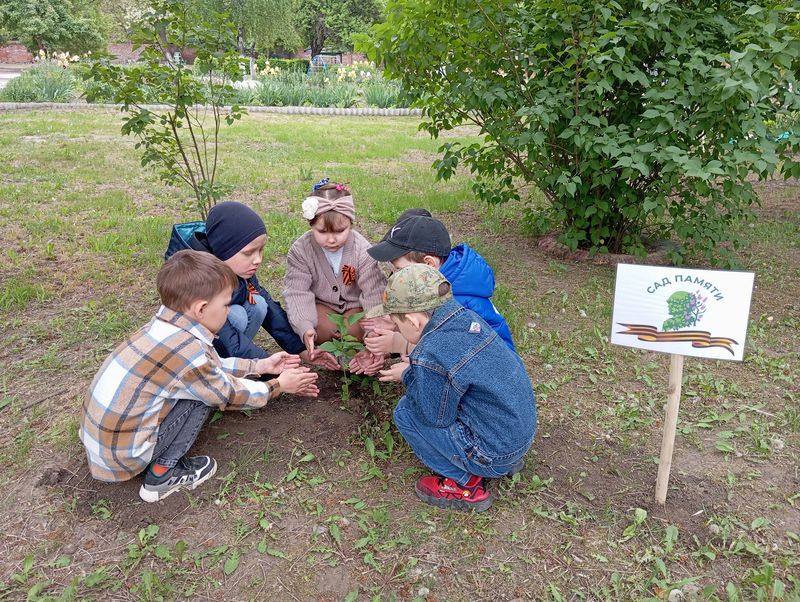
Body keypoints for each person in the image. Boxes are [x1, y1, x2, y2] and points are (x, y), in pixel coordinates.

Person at [79, 250, 320, 503]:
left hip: (103, 444)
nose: (228, 311)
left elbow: (210, 365)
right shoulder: (188, 352)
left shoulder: (167, 328)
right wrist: (279, 385)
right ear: (202, 308)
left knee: (200, 385)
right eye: (226, 304)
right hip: (123, 455)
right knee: (202, 397)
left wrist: (260, 365)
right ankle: (162, 475)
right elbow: (227, 394)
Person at [366, 264, 536, 512]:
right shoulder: (467, 319)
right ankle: (505, 458)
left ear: (413, 321)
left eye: (396, 323)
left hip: (493, 454)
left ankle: (465, 484)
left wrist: (409, 376)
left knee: (405, 413)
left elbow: (434, 416)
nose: (397, 330)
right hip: (519, 436)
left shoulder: (430, 352)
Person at [177, 201, 339, 371]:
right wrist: (271, 368)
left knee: (258, 303)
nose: (258, 260)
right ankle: (226, 366)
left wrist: (301, 349)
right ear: (223, 250)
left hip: (222, 335)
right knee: (238, 315)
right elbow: (227, 337)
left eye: (260, 250)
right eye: (248, 253)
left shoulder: (234, 266)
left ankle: (239, 365)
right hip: (196, 353)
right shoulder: (198, 281)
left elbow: (269, 309)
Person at [365, 213, 516, 368]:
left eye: (400, 270)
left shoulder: (458, 304)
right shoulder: (434, 285)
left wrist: (404, 353)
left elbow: (456, 355)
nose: (397, 276)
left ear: (429, 264)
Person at [283, 179, 387, 374]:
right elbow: (297, 292)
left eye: (340, 231)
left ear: (351, 224)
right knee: (320, 328)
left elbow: (373, 292)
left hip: (356, 306)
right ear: (310, 225)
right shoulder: (301, 250)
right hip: (323, 307)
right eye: (321, 232)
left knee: (356, 328)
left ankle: (358, 353)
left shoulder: (362, 250)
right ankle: (330, 348)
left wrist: (375, 331)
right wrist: (305, 327)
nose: (331, 239)